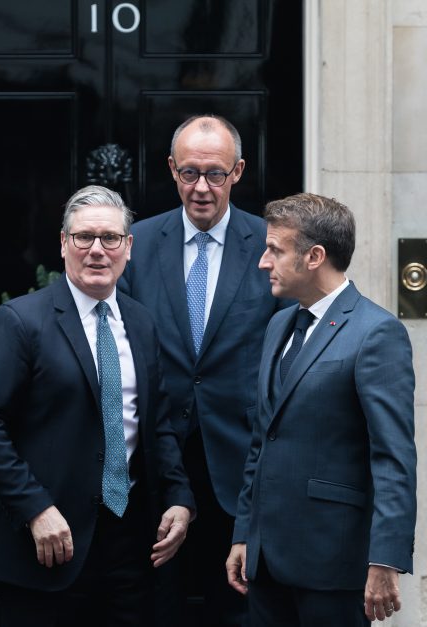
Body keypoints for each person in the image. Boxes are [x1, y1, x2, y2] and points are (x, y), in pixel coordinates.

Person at [0, 185, 195, 627]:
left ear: (128, 247)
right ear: (63, 243)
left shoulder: (141, 323)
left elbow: (157, 424)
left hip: (130, 543)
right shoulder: (20, 322)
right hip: (46, 543)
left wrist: (180, 498)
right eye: (83, 237)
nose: (96, 250)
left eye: (110, 238)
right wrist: (35, 509)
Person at [120, 113, 283, 626]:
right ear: (171, 169)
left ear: (238, 171)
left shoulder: (272, 246)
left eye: (215, 174)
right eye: (190, 173)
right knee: (157, 607)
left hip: (242, 463)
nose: (202, 188)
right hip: (156, 463)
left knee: (236, 607)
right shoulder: (137, 244)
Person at [226, 192, 417, 626]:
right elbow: (263, 439)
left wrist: (385, 560)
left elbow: (393, 457)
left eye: (275, 249)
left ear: (314, 256)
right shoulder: (279, 325)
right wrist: (244, 534)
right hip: (267, 563)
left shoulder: (377, 333)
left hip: (333, 565)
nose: (262, 261)